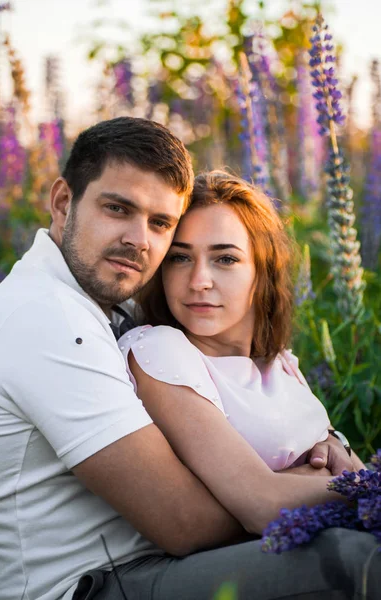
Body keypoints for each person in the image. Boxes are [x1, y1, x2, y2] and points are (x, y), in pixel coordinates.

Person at [0, 118, 378, 600]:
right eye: (117, 208)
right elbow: (186, 524)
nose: (139, 241)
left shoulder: (101, 299)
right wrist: (296, 486)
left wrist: (325, 451)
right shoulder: (46, 318)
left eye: (160, 223)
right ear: (64, 203)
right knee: (348, 563)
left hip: (142, 566)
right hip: (83, 586)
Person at [119, 169, 366, 535]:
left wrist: (333, 451)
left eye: (225, 259)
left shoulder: (280, 362)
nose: (199, 280)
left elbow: (353, 470)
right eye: (180, 258)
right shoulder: (160, 352)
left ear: (262, 270)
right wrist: (351, 489)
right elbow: (262, 505)